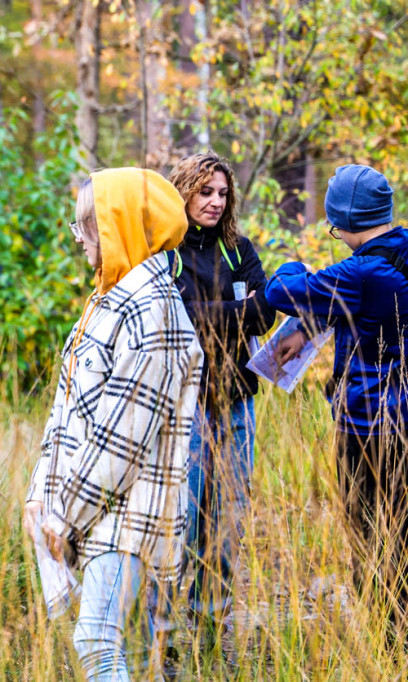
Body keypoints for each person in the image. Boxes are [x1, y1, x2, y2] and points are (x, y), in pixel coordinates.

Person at [23, 169, 203, 679]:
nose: (79, 239)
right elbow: (69, 407)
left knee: (98, 642)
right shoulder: (110, 297)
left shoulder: (153, 311)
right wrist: (41, 492)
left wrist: (66, 516)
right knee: (112, 644)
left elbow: (118, 442)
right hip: (99, 508)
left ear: (120, 227)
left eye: (89, 226)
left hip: (127, 511)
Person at [265, 164, 408, 623]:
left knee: (370, 535)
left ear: (341, 223)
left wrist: (298, 267)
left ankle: (387, 640)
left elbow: (278, 291)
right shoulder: (397, 257)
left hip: (369, 427)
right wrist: (310, 325)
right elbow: (357, 311)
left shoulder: (360, 272)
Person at [167, 152, 276, 635]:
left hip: (238, 403)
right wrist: (234, 311)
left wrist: (208, 312)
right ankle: (164, 631)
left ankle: (210, 626)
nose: (214, 202)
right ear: (184, 190)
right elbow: (180, 320)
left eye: (222, 194)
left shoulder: (239, 249)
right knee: (182, 520)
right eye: (205, 191)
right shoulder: (164, 252)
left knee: (227, 523)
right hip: (185, 406)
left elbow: (265, 312)